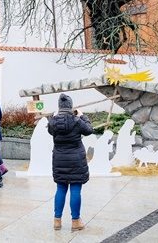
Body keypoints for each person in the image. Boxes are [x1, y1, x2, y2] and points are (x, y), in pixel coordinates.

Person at [47, 94, 93, 232]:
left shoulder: (53, 122)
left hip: (59, 159)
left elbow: (50, 129)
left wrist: (54, 116)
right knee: (75, 189)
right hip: (76, 160)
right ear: (71, 106)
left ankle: (57, 221)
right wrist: (83, 116)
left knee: (60, 188)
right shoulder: (77, 121)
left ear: (59, 107)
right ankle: (75, 222)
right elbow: (89, 130)